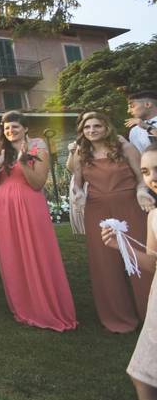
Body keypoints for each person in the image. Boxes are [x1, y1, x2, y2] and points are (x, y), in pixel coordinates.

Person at [0, 111, 77, 332]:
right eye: (7, 128)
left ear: (25, 128)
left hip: (29, 204)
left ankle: (46, 304)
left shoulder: (39, 147)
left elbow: (37, 183)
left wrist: (23, 162)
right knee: (12, 254)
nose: (10, 131)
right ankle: (23, 304)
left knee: (39, 252)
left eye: (15, 127)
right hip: (2, 207)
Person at [67, 112, 153, 333]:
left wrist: (143, 193)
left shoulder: (125, 148)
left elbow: (141, 179)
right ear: (82, 131)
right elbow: (77, 183)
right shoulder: (81, 153)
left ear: (107, 127)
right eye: (87, 127)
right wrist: (78, 195)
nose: (92, 130)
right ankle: (118, 318)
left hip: (130, 207)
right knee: (105, 264)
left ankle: (150, 314)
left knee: (139, 258)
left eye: (97, 126)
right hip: (98, 212)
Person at [105, 144, 157, 400]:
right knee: (142, 375)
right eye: (147, 171)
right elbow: (152, 261)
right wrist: (120, 245)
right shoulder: (154, 216)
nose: (152, 177)